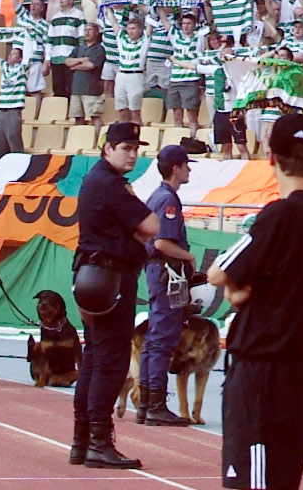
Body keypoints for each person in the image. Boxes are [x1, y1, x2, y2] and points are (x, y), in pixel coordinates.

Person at [214, 111, 303, 490]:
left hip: (261, 375)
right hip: (296, 373)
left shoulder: (279, 215)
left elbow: (221, 271)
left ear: (271, 159)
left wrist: (235, 291)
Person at [73, 119, 161, 467]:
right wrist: (136, 235)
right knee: (110, 360)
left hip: (92, 274)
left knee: (94, 358)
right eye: (126, 148)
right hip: (110, 279)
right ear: (107, 148)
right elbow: (152, 226)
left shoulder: (98, 179)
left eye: (136, 149)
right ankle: (98, 441)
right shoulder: (110, 184)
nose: (132, 154)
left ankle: (82, 441)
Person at [137, 141, 198, 427]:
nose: (188, 171)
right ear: (176, 168)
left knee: (155, 339)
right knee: (162, 338)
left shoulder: (157, 196)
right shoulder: (168, 200)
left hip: (157, 272)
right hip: (166, 273)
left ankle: (148, 401)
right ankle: (155, 404)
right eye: (186, 165)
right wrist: (188, 256)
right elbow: (162, 242)